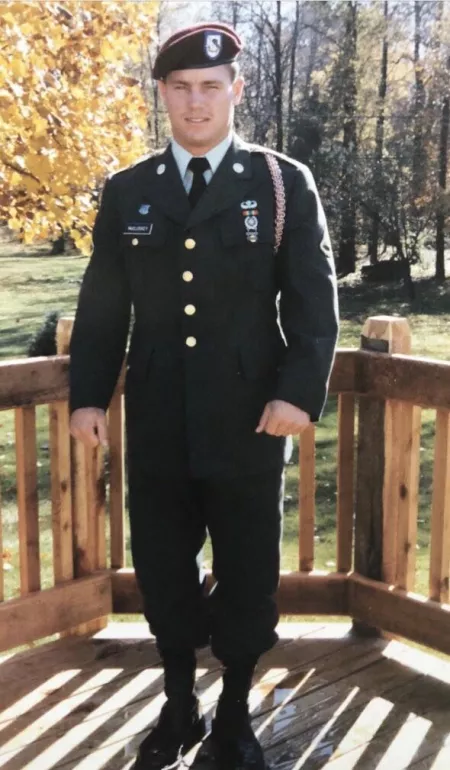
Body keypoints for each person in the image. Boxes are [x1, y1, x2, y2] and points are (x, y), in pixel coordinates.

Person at [69, 21, 339, 770]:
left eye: (211, 88)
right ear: (162, 93)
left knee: (249, 570)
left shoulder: (281, 184)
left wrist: (298, 394)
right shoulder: (129, 190)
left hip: (252, 418)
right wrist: (88, 396)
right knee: (162, 565)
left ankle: (236, 713)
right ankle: (179, 701)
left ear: (235, 91)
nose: (196, 102)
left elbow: (314, 304)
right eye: (182, 87)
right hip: (157, 418)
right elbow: (102, 306)